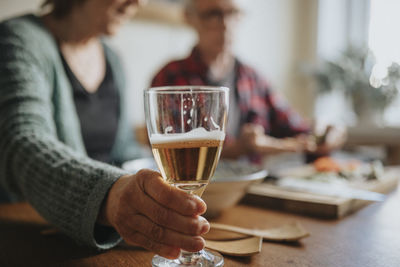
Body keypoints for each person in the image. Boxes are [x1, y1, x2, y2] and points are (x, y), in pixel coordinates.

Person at [0, 0, 209, 259]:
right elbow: (23, 142)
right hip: (26, 232)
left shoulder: (111, 58)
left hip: (104, 238)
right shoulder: (18, 39)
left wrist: (160, 191)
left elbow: (124, 152)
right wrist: (109, 195)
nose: (139, 2)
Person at [151, 0, 346, 163]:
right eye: (213, 15)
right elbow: (177, 157)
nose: (225, 24)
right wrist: (239, 149)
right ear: (190, 18)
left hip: (252, 192)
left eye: (232, 14)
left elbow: (296, 128)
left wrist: (328, 131)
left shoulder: (253, 78)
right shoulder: (170, 78)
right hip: (199, 193)